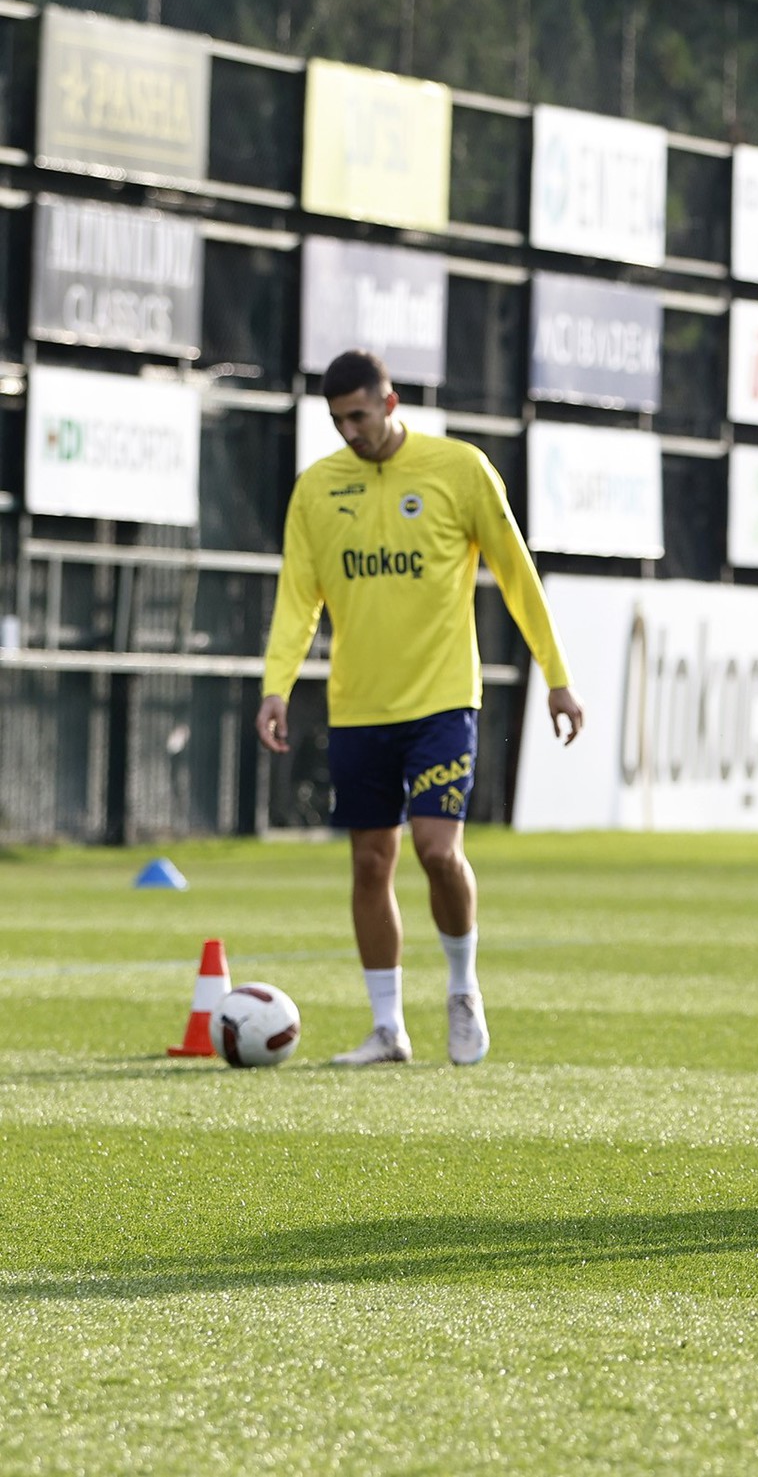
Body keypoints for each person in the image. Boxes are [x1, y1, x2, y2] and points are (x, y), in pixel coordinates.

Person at [256, 350, 583, 1067]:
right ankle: (387, 1028)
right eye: (337, 420)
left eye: (359, 415)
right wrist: (276, 686)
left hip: (442, 700)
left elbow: (517, 573)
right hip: (358, 707)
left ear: (390, 403)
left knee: (437, 850)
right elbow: (297, 598)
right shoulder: (317, 489)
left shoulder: (459, 470)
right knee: (371, 862)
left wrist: (556, 676)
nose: (350, 431)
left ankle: (462, 989)